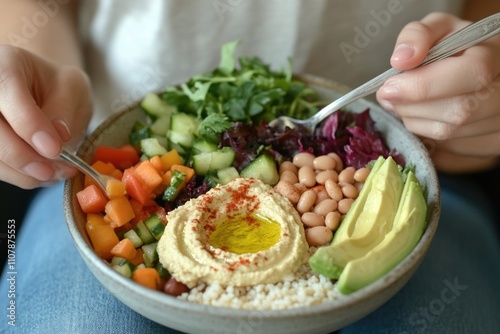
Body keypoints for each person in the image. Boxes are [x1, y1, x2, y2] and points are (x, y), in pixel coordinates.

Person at [1, 0, 499, 333]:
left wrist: (479, 104)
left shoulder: (325, 179)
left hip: (421, 168)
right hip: (95, 154)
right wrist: (46, 84)